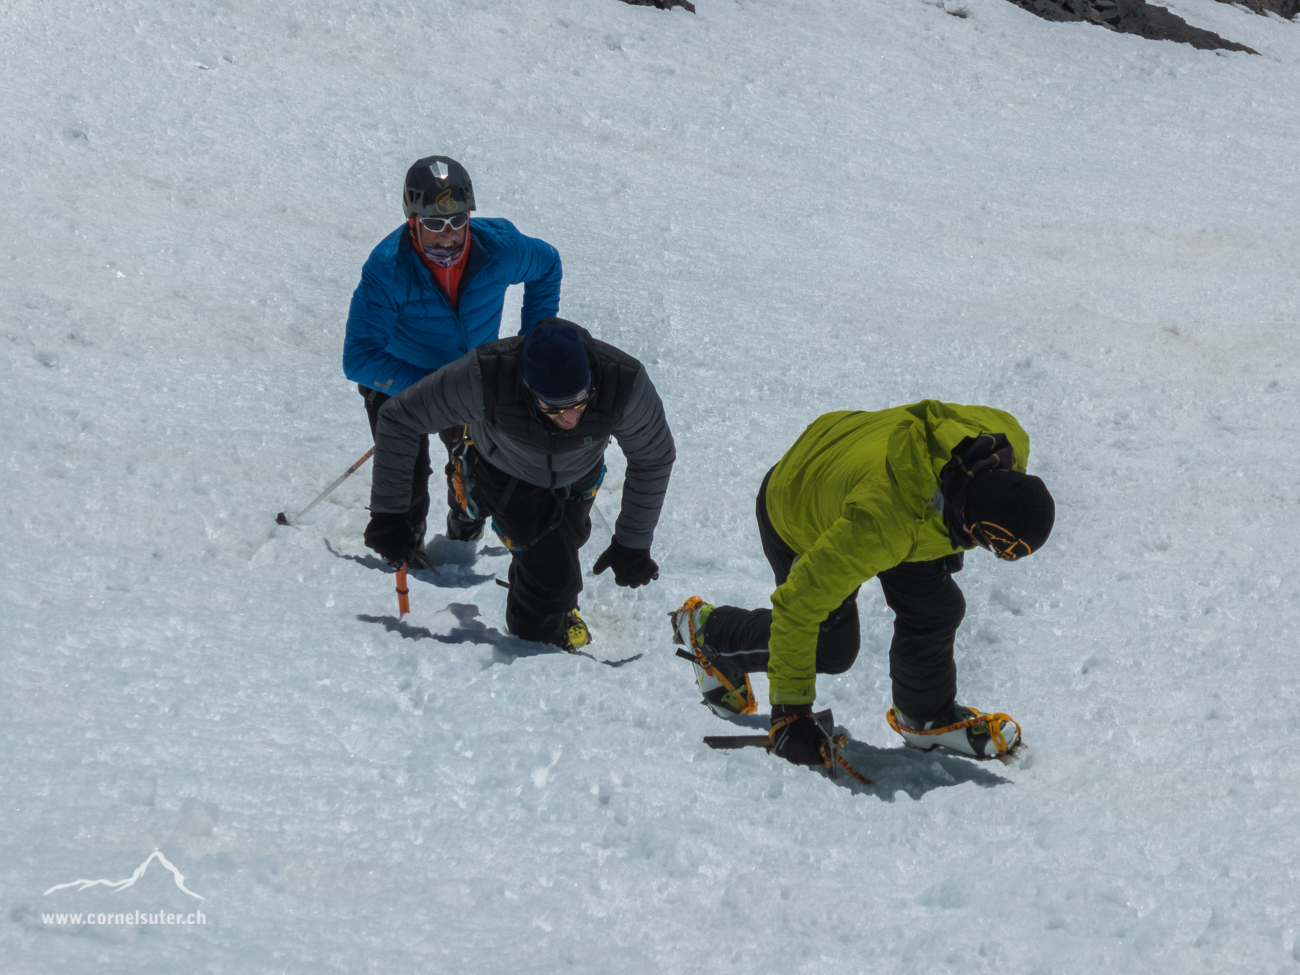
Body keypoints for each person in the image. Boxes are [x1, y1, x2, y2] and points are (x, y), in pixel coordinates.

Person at [669, 400, 1055, 767]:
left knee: (935, 606)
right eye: (981, 542)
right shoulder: (882, 521)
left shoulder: (1006, 439)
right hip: (797, 499)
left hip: (859, 453)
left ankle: (925, 718)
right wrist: (790, 715)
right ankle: (710, 633)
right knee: (831, 645)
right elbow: (800, 604)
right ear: (971, 524)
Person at [363, 319, 675, 652]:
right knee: (551, 575)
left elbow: (653, 456)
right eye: (553, 407)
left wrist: (633, 544)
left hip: (579, 472)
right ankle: (540, 643)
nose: (571, 418)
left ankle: (546, 597)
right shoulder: (489, 374)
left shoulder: (623, 382)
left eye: (579, 401)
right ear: (526, 387)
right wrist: (392, 514)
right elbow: (400, 416)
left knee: (568, 541)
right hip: (508, 470)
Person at [343, 155, 563, 564]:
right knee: (406, 475)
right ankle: (406, 550)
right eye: (434, 224)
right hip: (399, 379)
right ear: (412, 221)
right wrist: (432, 387)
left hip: (474, 378)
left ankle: (463, 534)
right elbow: (358, 357)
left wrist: (537, 339)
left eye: (458, 221)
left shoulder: (500, 248)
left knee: (479, 468)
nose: (448, 235)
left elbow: (547, 264)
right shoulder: (387, 268)